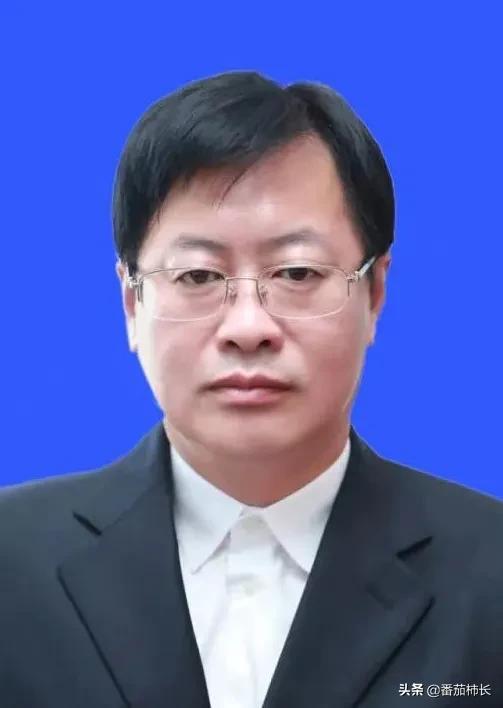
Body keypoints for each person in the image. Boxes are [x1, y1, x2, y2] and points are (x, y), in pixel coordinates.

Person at [1, 71, 502, 708]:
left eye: (297, 272)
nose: (247, 328)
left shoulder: (490, 572)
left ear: (374, 292)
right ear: (132, 302)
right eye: (198, 276)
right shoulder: (11, 564)